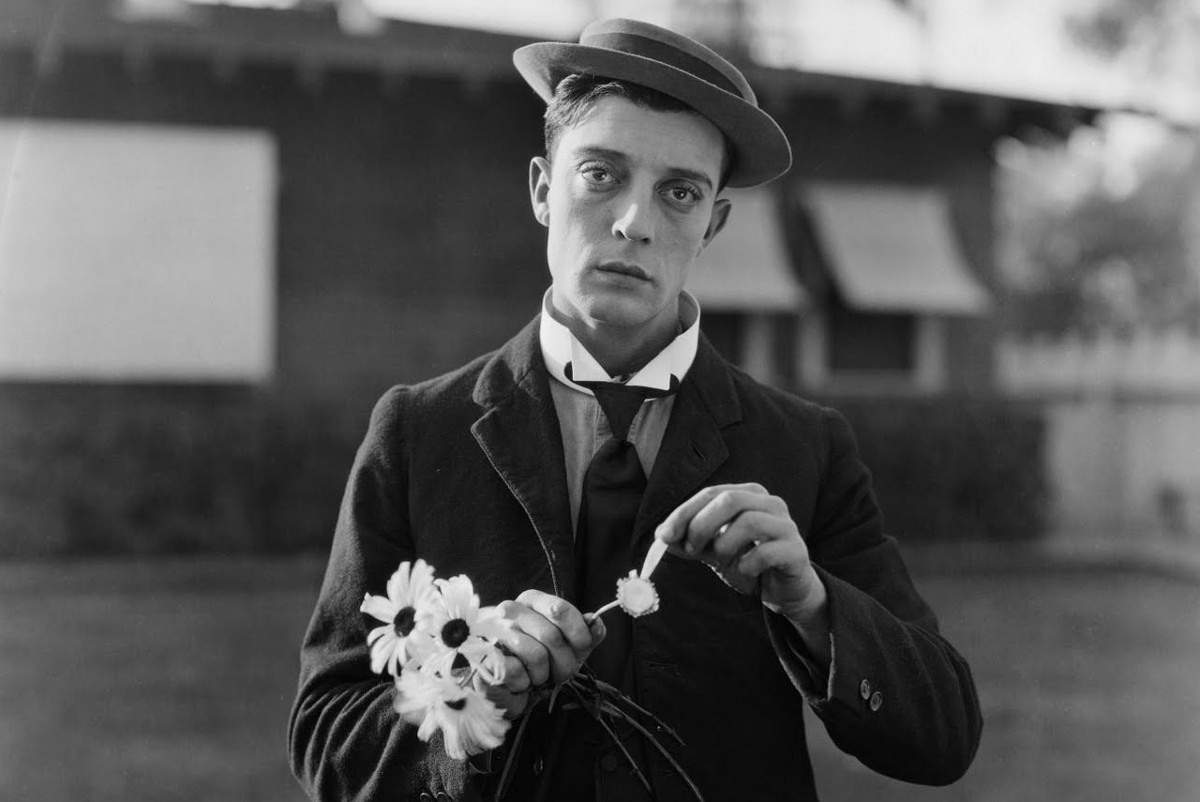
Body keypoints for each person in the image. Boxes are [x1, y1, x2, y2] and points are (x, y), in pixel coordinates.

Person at [288, 17, 982, 802]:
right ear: (543, 190)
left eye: (679, 193)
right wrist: (468, 701)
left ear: (713, 224)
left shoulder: (806, 448)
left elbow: (944, 737)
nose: (634, 223)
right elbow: (326, 740)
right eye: (600, 174)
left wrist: (815, 607)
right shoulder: (418, 433)